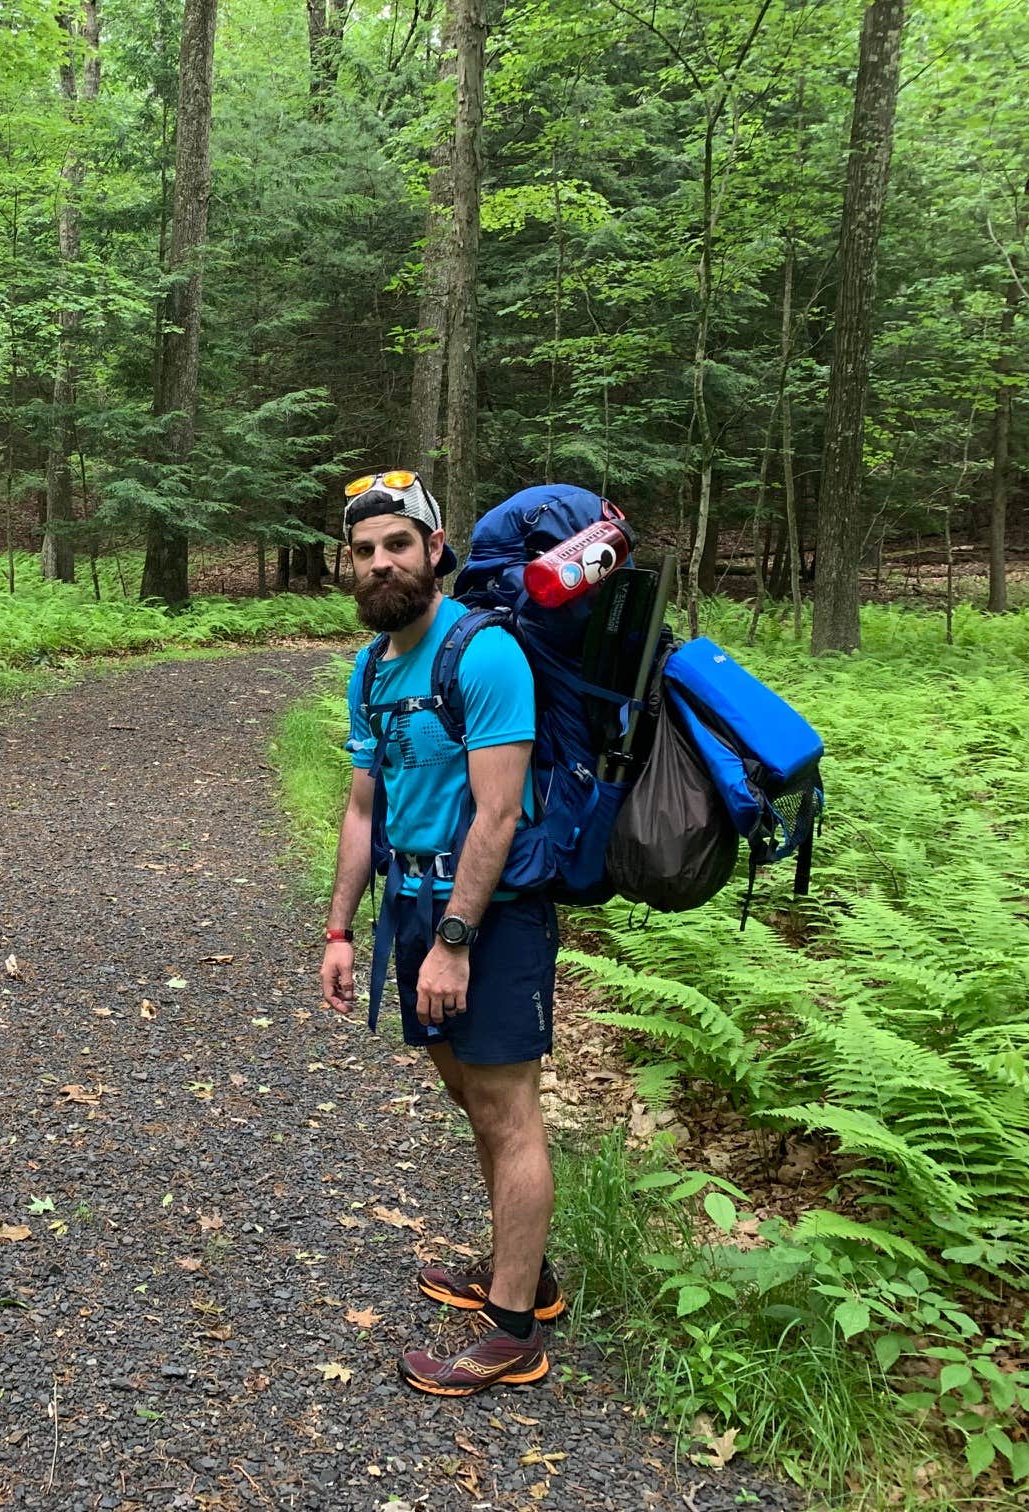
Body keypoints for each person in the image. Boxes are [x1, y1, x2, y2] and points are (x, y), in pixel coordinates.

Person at [316, 470, 566, 1397]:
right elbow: (363, 807)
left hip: (489, 914)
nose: (381, 563)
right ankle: (523, 1275)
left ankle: (513, 1333)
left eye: (398, 545)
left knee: (506, 1107)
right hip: (412, 905)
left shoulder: (484, 653)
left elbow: (498, 815)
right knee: (468, 1093)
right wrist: (341, 929)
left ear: (434, 548)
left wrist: (455, 942)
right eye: (365, 551)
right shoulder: (372, 667)